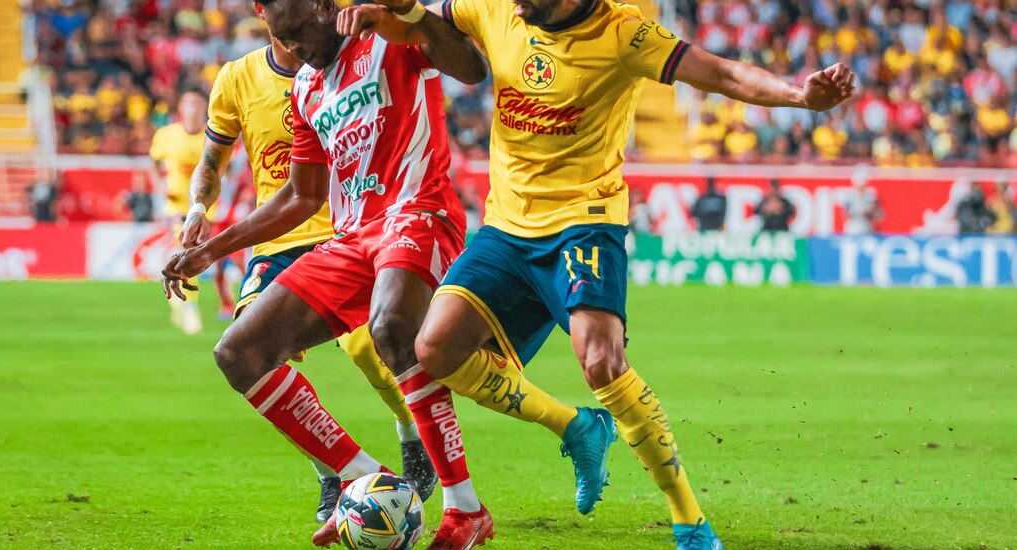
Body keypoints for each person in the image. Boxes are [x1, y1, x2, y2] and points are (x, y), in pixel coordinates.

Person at [346, 0, 855, 547]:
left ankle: (689, 521)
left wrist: (800, 96)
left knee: (601, 362)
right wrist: (394, 13)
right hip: (506, 229)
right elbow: (424, 23)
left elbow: (724, 72)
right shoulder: (496, 9)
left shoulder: (624, 34)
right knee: (436, 349)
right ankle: (579, 425)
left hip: (584, 224)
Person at [164, 2, 613, 547]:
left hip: (418, 211)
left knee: (389, 330)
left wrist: (412, 16)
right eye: (284, 41)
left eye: (301, 33)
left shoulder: (390, 33)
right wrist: (214, 247)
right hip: (352, 237)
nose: (298, 51)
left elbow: (472, 69)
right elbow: (302, 197)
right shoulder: (307, 86)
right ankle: (362, 480)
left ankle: (464, 507)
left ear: (325, 7)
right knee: (239, 352)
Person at [176, 1, 437, 523]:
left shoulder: (348, 64)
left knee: (367, 347)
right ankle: (333, 474)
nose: (295, 40)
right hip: (276, 243)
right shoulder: (236, 78)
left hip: (342, 228)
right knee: (253, 353)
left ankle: (412, 435)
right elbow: (212, 160)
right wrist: (198, 210)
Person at [149, 89, 236, 333]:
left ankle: (223, 303)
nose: (193, 109)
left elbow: (224, 168)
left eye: (198, 104)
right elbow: (154, 164)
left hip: (208, 207)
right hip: (177, 205)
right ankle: (190, 306)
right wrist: (161, 188)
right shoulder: (166, 135)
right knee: (188, 247)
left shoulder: (212, 136)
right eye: (188, 103)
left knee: (214, 259)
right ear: (181, 108)